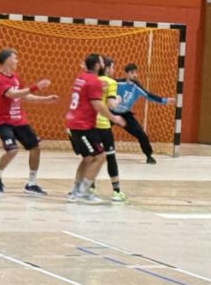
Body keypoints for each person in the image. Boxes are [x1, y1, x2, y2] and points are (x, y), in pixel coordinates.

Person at [0, 48, 59, 195]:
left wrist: (45, 99)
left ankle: (31, 183)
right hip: (4, 122)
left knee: (35, 148)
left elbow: (23, 96)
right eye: (15, 58)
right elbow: (12, 94)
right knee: (12, 150)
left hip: (19, 121)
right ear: (7, 60)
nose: (17, 61)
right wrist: (36, 87)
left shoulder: (15, 78)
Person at [65, 52, 125, 204]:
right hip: (83, 125)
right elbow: (97, 104)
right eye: (102, 62)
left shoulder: (81, 78)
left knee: (88, 158)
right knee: (100, 156)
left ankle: (75, 191)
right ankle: (84, 192)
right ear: (98, 65)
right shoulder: (94, 81)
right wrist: (114, 118)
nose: (104, 64)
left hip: (74, 123)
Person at [115, 62, 170, 164]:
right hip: (112, 112)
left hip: (125, 114)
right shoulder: (117, 83)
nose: (135, 75)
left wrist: (164, 100)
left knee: (142, 135)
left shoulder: (137, 87)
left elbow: (149, 96)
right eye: (132, 72)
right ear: (126, 73)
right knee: (98, 130)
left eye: (136, 72)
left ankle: (149, 156)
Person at [95, 56, 128, 202]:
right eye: (113, 67)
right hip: (103, 124)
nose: (114, 70)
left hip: (90, 125)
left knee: (92, 158)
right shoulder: (111, 82)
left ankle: (90, 188)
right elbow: (111, 105)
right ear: (107, 69)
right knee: (110, 156)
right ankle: (116, 192)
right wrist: (119, 100)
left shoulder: (92, 80)